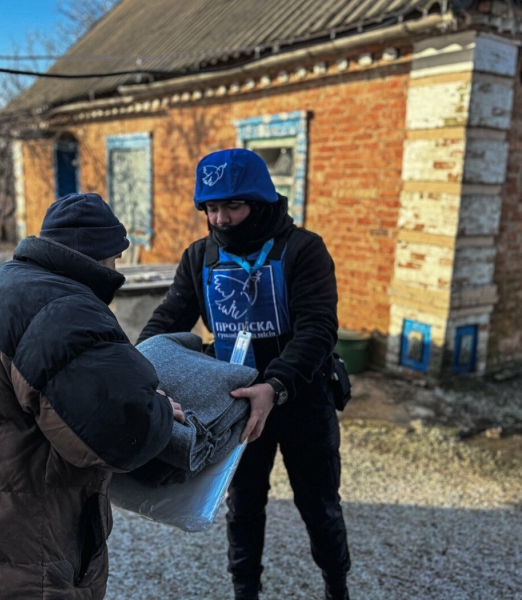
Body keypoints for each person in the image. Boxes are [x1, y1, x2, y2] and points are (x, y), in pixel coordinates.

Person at [0, 193, 184, 600]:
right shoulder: (65, 310)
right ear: (109, 256)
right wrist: (161, 409)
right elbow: (121, 433)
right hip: (23, 564)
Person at [138, 149, 351, 600]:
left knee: (320, 507)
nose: (221, 219)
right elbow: (170, 320)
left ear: (260, 201)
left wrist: (275, 385)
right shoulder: (200, 257)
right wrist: (138, 368)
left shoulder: (303, 249)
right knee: (243, 507)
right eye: (211, 209)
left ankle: (337, 585)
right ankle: (245, 592)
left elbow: (318, 328)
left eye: (232, 207)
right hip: (235, 406)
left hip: (301, 396)